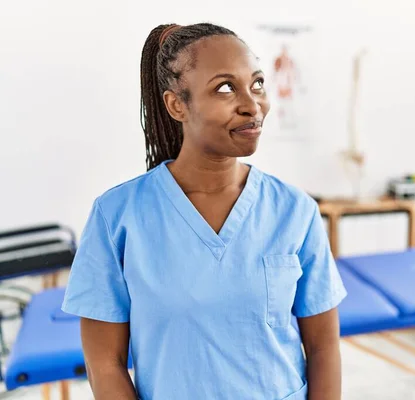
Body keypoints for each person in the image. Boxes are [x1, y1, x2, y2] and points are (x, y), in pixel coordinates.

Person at [61, 22, 347, 400]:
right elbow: (104, 363)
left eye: (257, 83)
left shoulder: (295, 211)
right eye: (226, 88)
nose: (252, 105)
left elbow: (325, 348)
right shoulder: (118, 218)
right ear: (177, 104)